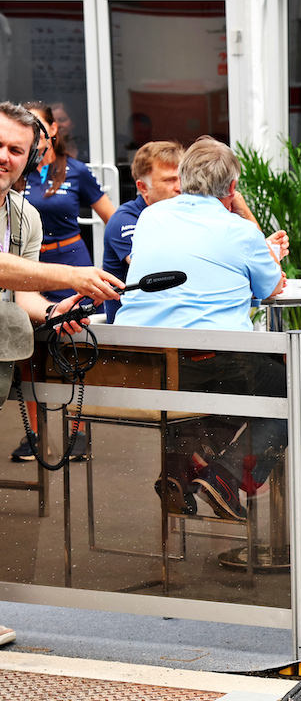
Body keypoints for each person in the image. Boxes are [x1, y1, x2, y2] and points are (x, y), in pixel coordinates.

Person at [114, 136, 291, 522]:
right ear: (231, 188)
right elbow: (272, 287)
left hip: (142, 366)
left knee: (215, 393)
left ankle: (179, 470)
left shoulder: (151, 216)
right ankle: (226, 476)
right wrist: (263, 247)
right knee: (293, 393)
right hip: (205, 362)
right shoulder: (238, 231)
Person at [0, 101, 124, 648]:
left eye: (16, 150)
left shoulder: (22, 214)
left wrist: (56, 312)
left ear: (30, 159)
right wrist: (69, 272)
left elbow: (20, 293)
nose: (4, 157)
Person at [12, 102, 118, 463]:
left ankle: (78, 430)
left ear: (51, 133)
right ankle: (36, 433)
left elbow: (112, 217)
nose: (8, 155)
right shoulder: (17, 181)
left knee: (73, 346)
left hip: (69, 259)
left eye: (17, 148)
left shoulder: (75, 171)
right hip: (37, 262)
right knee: (28, 350)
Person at [102, 142, 184, 322]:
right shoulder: (124, 219)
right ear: (143, 187)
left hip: (171, 320)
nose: (179, 187)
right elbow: (154, 267)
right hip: (132, 330)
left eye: (182, 178)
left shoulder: (183, 213)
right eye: (169, 180)